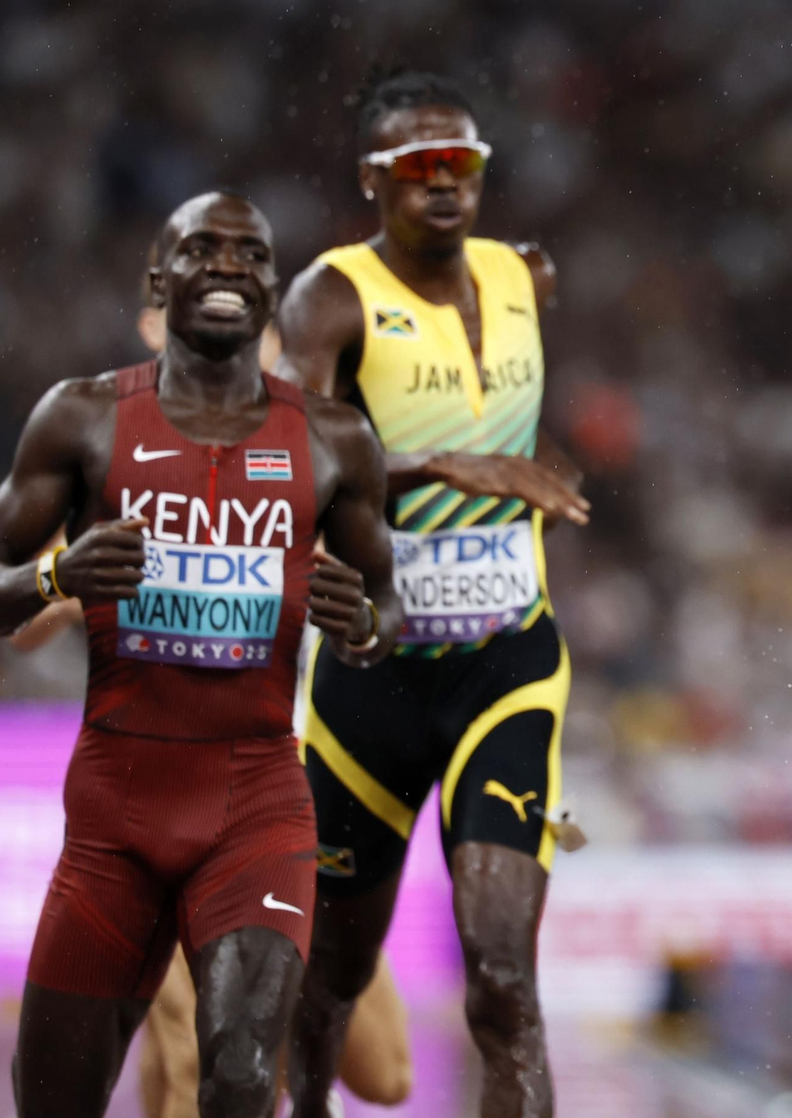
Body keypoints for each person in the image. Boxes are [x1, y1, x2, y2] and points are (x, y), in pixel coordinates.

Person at [0, 246, 413, 1118]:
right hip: (157, 802)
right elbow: (29, 604)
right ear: (156, 324)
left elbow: (381, 603)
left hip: (281, 814)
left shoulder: (308, 459)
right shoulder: (130, 483)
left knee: (384, 1069)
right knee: (189, 1050)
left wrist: (370, 624)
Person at [274, 69, 588, 1118]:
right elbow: (288, 458)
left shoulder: (525, 275)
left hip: (507, 663)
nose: (444, 183)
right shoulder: (329, 295)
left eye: (463, 163)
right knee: (325, 989)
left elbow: (511, 423)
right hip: (373, 672)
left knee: (503, 980)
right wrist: (439, 466)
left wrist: (513, 470)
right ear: (375, 179)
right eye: (419, 167)